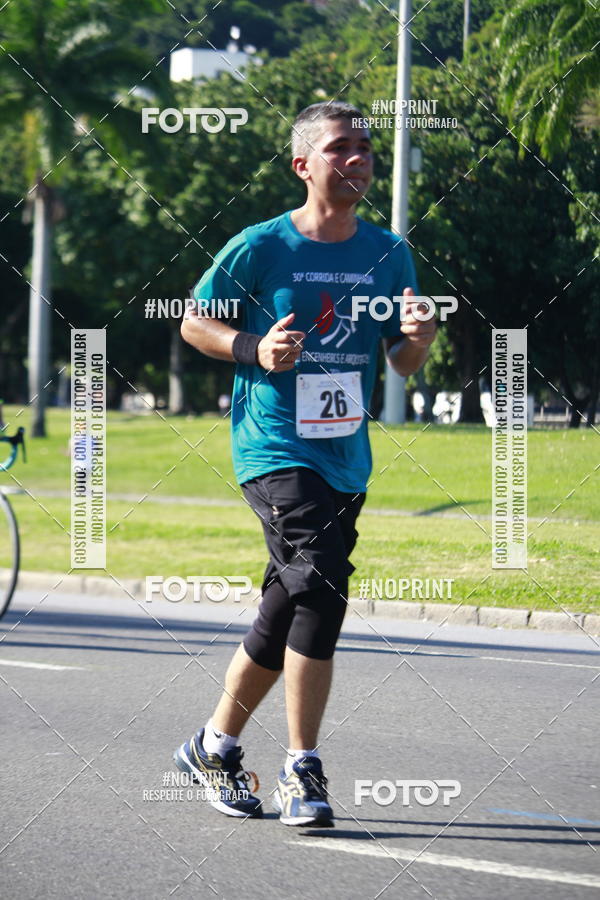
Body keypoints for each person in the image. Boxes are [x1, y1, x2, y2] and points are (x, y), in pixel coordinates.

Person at [174, 101, 436, 827]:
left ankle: (215, 745)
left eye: (365, 147)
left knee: (286, 600)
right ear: (303, 165)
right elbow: (195, 321)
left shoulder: (388, 251)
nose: (357, 158)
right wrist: (252, 349)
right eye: (339, 148)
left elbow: (402, 361)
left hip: (345, 455)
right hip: (273, 445)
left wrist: (421, 338)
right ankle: (303, 770)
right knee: (321, 581)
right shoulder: (261, 246)